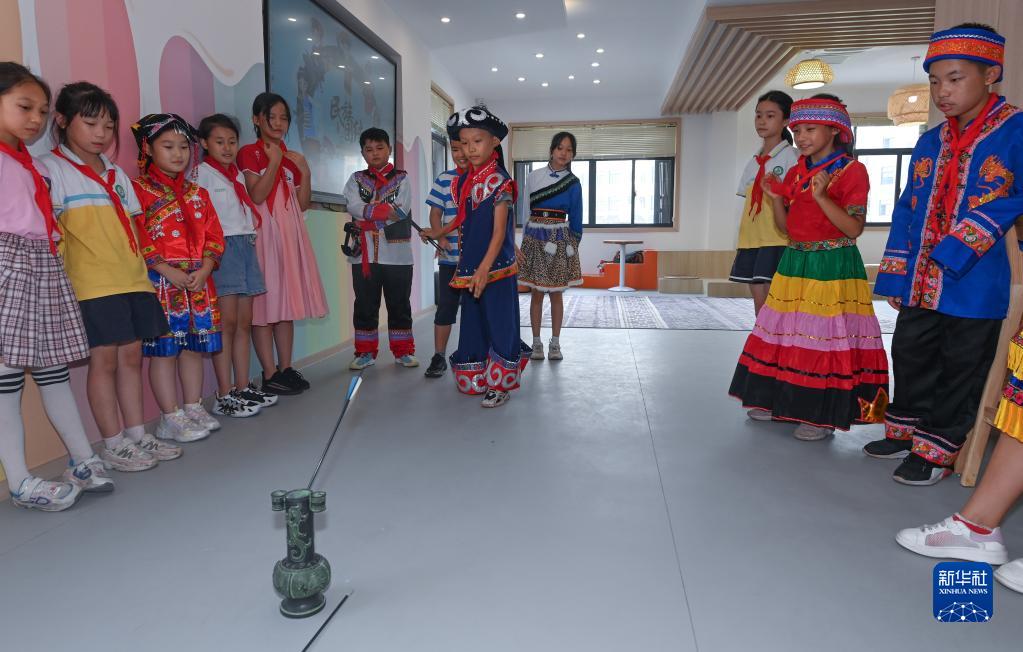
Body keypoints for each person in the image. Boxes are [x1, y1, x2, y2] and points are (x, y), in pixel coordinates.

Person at [866, 23, 1023, 485]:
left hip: (978, 278)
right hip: (921, 276)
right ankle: (906, 432)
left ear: (990, 74)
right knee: (910, 351)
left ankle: (938, 449)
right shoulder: (930, 140)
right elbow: (907, 206)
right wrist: (897, 274)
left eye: (955, 79)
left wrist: (967, 237)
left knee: (961, 364)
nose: (942, 92)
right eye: (935, 81)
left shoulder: (1016, 130)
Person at [728, 95, 889, 440]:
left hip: (832, 264)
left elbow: (853, 228)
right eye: (798, 129)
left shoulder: (852, 171)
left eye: (810, 129)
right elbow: (787, 229)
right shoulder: (798, 170)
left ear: (835, 131)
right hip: (795, 260)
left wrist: (822, 197)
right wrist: (776, 199)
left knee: (823, 338)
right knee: (786, 333)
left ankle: (819, 415)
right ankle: (778, 400)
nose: (801, 137)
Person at [44, 81, 181, 471]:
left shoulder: (117, 173)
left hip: (132, 278)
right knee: (103, 361)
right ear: (62, 120)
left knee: (131, 358)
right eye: (90, 124)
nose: (101, 134)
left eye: (107, 126)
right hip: (92, 283)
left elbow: (136, 227)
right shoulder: (50, 170)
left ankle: (137, 434)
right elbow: (51, 233)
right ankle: (113, 443)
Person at [0, 62, 106, 510]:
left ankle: (82, 459)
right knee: (5, 377)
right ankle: (20, 481)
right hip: (8, 266)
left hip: (41, 264)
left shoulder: (25, 162)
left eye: (42, 112)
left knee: (53, 368)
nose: (36, 119)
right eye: (24, 107)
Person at [424, 106, 529, 408]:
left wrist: (484, 268)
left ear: (494, 141)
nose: (470, 149)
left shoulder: (501, 182)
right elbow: (462, 218)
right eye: (465, 142)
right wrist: (439, 231)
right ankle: (477, 375)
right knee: (473, 322)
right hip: (470, 265)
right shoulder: (464, 181)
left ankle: (500, 385)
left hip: (496, 268)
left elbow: (498, 232)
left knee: (499, 322)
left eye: (477, 141)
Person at [131, 113, 224, 443]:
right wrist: (166, 270)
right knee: (165, 351)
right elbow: (138, 236)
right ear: (148, 148)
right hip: (161, 283)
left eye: (184, 146)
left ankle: (192, 406)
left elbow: (214, 234)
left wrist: (206, 268)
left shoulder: (199, 193)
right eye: (168, 146)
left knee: (193, 348)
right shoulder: (138, 191)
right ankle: (169, 417)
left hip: (198, 282)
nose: (178, 154)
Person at [238, 92, 328, 395]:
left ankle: (286, 367)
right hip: (264, 236)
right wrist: (275, 161)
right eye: (271, 117)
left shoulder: (293, 157)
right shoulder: (249, 152)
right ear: (256, 119)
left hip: (290, 237)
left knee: (285, 305)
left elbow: (302, 205)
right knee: (265, 306)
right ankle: (269, 373)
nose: (278, 123)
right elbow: (257, 195)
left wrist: (306, 171)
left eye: (284, 118)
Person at [197, 113, 278, 417]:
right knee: (226, 323)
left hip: (245, 244)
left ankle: (242, 386)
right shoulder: (202, 174)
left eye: (232, 141)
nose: (227, 147)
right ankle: (224, 393)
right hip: (222, 249)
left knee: (244, 322)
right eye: (219, 142)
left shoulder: (237, 175)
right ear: (204, 143)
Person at [342, 127, 418, 371]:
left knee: (399, 304)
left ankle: (403, 351)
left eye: (379, 148)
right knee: (365, 305)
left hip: (398, 256)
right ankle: (365, 352)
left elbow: (401, 210)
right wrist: (379, 211)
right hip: (363, 255)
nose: (374, 153)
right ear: (362, 153)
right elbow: (352, 205)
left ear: (389, 149)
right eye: (369, 149)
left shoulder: (402, 179)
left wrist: (367, 216)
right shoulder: (356, 179)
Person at [728, 90, 799, 315]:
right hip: (751, 238)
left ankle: (775, 337)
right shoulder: (753, 162)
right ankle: (761, 336)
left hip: (776, 237)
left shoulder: (793, 157)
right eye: (758, 115)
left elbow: (796, 202)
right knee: (758, 300)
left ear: (786, 120)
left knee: (775, 300)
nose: (762, 121)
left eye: (770, 116)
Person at [519, 131, 584, 361]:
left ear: (573, 155)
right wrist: (524, 243)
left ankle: (555, 343)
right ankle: (536, 342)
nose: (564, 153)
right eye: (560, 148)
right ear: (551, 150)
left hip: (559, 239)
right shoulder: (533, 176)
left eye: (569, 150)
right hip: (535, 238)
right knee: (536, 293)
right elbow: (525, 212)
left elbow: (576, 217)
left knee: (556, 294)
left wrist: (573, 246)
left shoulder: (574, 183)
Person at [423, 124, 469, 378]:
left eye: (465, 148)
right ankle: (439, 355)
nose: (460, 154)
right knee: (446, 308)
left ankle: (473, 354)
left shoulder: (483, 179)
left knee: (474, 310)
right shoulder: (443, 179)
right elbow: (435, 213)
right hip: (450, 259)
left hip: (477, 260)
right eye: (455, 149)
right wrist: (440, 235)